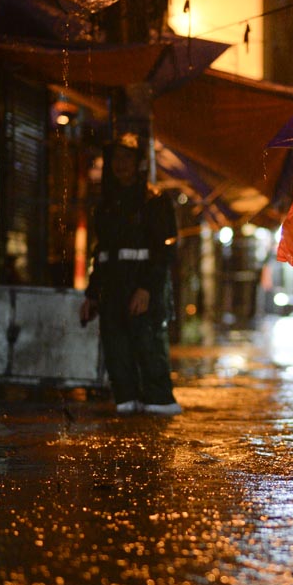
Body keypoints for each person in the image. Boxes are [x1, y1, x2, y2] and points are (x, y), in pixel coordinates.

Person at [79, 136, 183, 416]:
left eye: (127, 158)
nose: (120, 165)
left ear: (139, 163)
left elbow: (164, 252)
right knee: (117, 353)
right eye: (116, 158)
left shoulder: (154, 200)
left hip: (142, 289)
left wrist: (147, 289)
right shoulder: (106, 204)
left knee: (149, 350)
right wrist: (91, 294)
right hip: (112, 292)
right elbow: (101, 252)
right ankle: (126, 410)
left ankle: (160, 412)